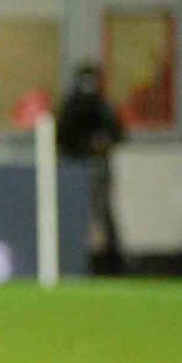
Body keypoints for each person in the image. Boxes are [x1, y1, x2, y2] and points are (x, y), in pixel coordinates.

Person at [56, 63, 124, 275]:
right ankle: (72, 260)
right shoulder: (71, 106)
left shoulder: (103, 105)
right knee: (74, 214)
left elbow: (117, 134)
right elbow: (62, 136)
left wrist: (101, 143)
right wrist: (81, 145)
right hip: (73, 168)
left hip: (97, 166)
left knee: (102, 215)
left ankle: (110, 264)